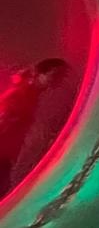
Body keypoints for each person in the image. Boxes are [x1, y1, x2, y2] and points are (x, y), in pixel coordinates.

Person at [0, 57, 69, 195]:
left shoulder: (30, 94)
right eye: (54, 75)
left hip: (6, 154)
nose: (56, 80)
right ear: (41, 74)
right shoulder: (22, 93)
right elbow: (6, 115)